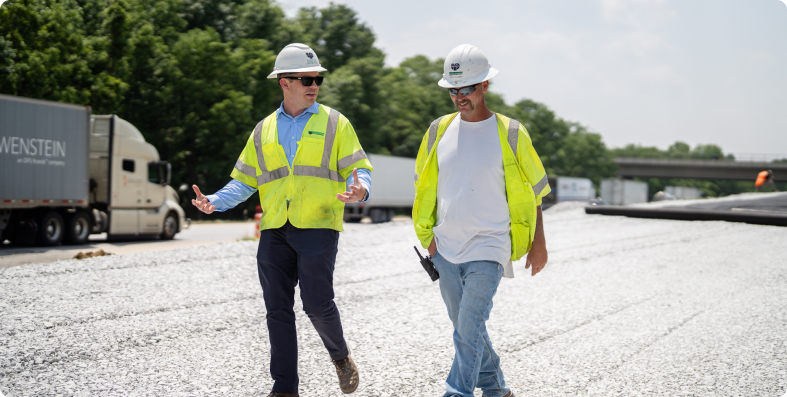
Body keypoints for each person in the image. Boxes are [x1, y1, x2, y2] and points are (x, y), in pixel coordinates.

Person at [191, 43, 372, 397]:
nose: (313, 84)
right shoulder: (263, 130)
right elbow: (244, 181)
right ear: (283, 83)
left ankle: (340, 356)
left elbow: (360, 169)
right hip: (275, 229)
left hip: (318, 225)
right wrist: (214, 202)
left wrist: (360, 191)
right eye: (305, 78)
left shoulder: (335, 123)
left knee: (317, 304)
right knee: (277, 310)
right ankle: (285, 389)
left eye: (316, 78)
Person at [413, 44, 551, 397]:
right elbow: (424, 185)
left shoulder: (511, 132)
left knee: (469, 326)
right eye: (453, 90)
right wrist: (428, 235)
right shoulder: (437, 131)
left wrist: (539, 244)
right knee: (465, 327)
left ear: (485, 86)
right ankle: (495, 388)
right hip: (445, 247)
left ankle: (456, 392)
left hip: (490, 245)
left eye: (467, 89)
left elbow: (534, 192)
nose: (460, 97)